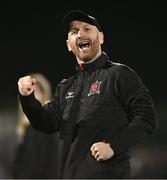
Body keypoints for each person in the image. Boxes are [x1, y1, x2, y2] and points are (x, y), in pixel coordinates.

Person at [17, 10, 159, 179]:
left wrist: (114, 146)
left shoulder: (120, 74)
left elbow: (148, 118)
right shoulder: (65, 86)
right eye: (74, 31)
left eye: (87, 29)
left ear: (100, 37)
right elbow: (46, 123)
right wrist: (27, 98)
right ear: (69, 45)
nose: (80, 34)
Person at [13, 73, 60, 179]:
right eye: (29, 91)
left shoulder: (42, 125)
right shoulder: (24, 126)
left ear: (45, 94)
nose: (32, 95)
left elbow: (39, 163)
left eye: (37, 91)